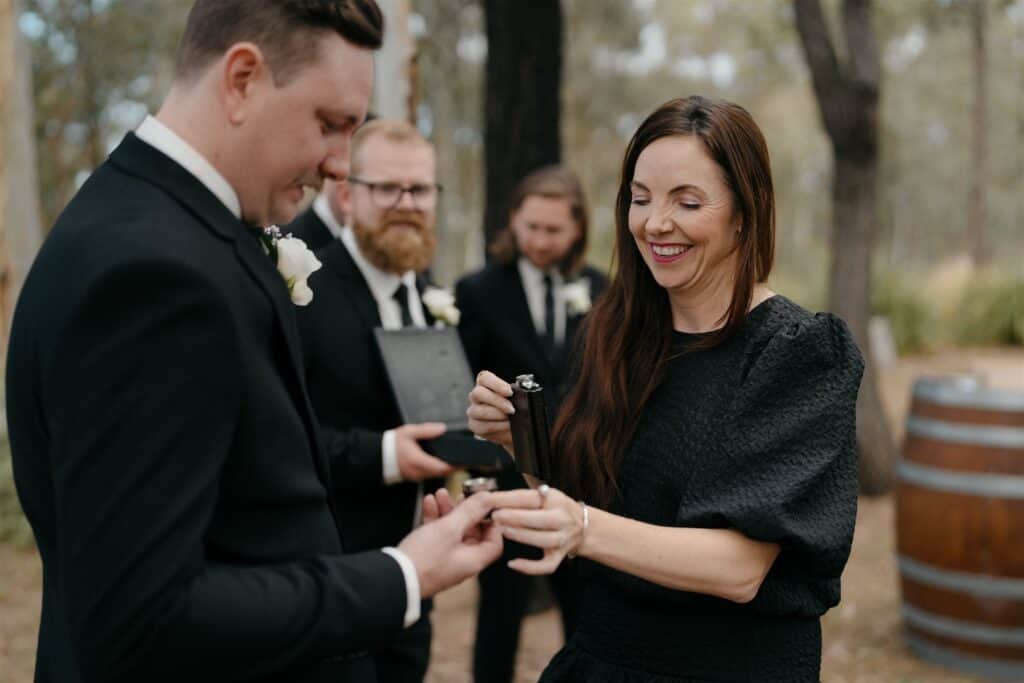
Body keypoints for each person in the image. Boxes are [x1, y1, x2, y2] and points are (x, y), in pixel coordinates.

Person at [5, 2, 502, 681]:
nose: (338, 167)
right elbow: (140, 615)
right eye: (331, 125)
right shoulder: (153, 276)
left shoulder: (174, 225)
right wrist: (400, 573)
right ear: (241, 78)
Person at [468, 96, 864, 682]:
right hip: (601, 659)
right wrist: (516, 441)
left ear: (744, 212)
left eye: (688, 201)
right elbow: (579, 498)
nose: (655, 223)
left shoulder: (797, 353)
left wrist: (580, 526)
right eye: (641, 198)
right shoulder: (611, 334)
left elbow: (739, 568)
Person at [289, 118, 455, 682]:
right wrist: (386, 455)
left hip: (418, 582)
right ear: (347, 193)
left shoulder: (426, 292)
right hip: (333, 583)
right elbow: (283, 440)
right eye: (388, 188)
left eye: (421, 189)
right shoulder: (303, 295)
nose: (407, 203)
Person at [455, 165, 607, 683]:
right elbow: (464, 383)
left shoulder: (599, 288)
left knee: (584, 610)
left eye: (554, 230)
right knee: (499, 612)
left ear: (577, 230)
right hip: (505, 483)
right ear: (513, 222)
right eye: (532, 227)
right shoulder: (477, 290)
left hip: (580, 483)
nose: (541, 241)